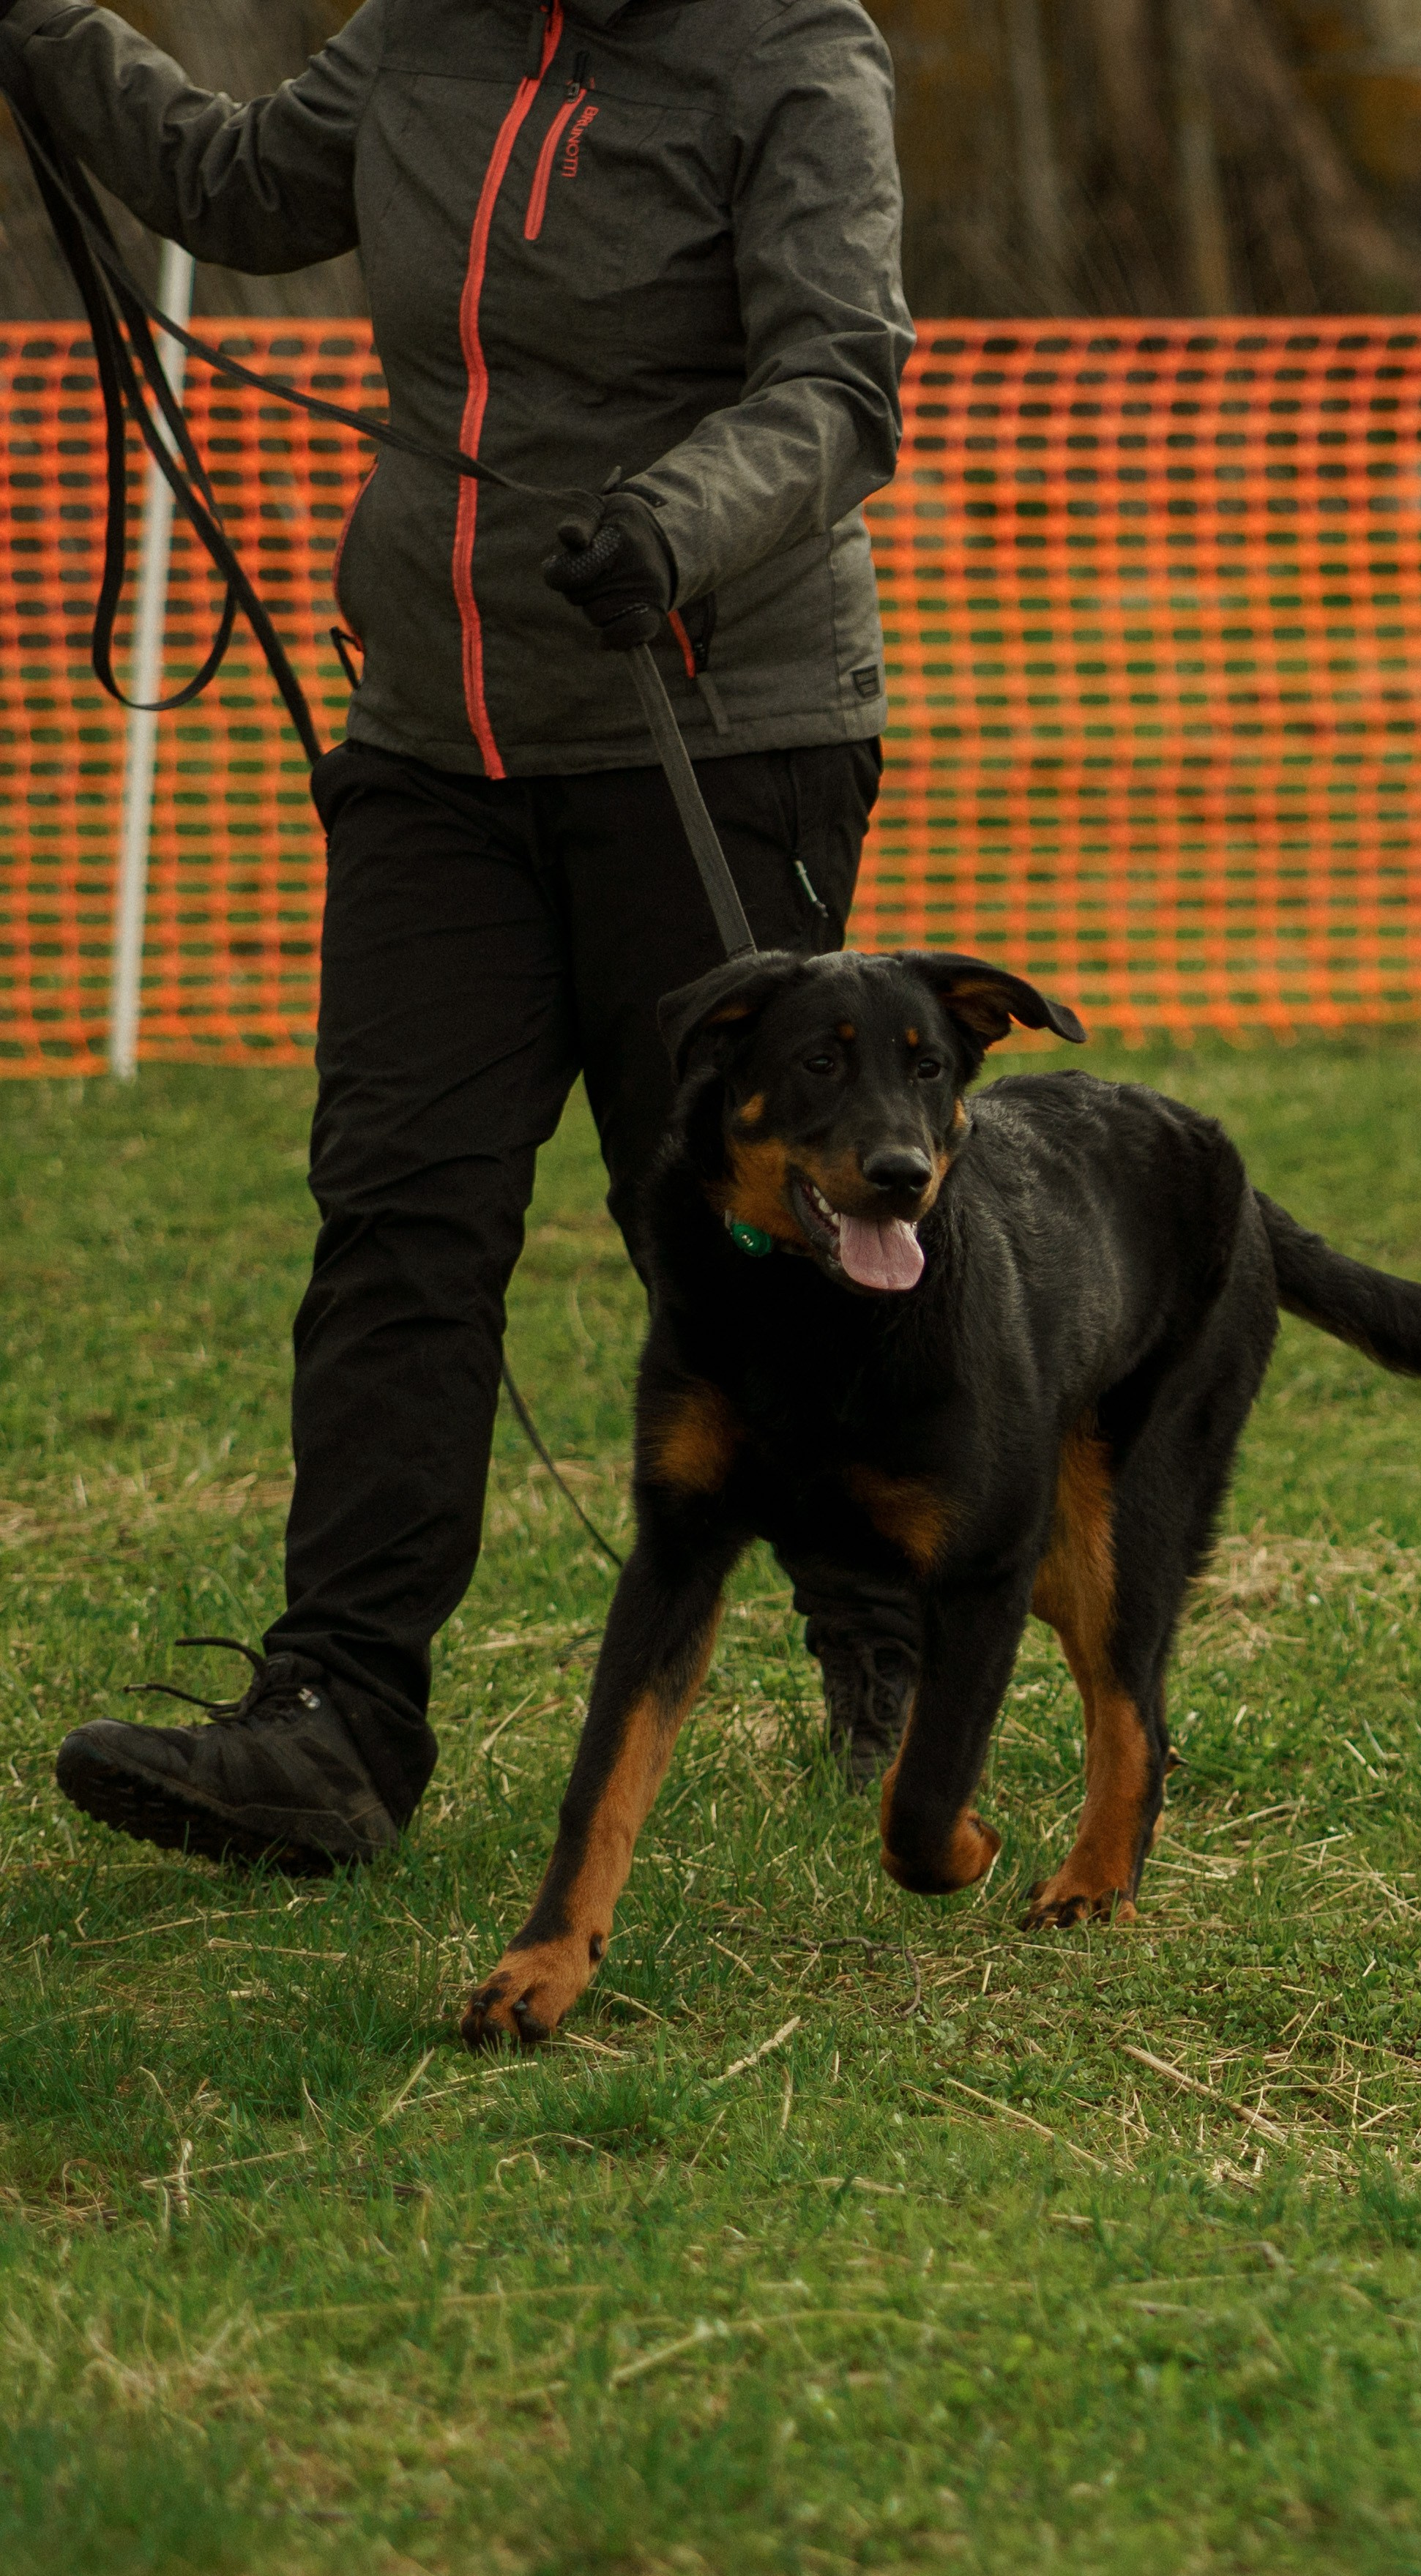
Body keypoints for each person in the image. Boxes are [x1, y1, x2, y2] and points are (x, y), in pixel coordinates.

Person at [3, 0, 921, 1870]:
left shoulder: (788, 54)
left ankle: (888, 1617)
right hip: (432, 744)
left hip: (713, 721)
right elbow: (242, 185)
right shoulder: (426, 32)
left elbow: (837, 385)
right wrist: (51, 36)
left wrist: (675, 520)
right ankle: (337, 1718)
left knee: (748, 1218)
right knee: (400, 1208)